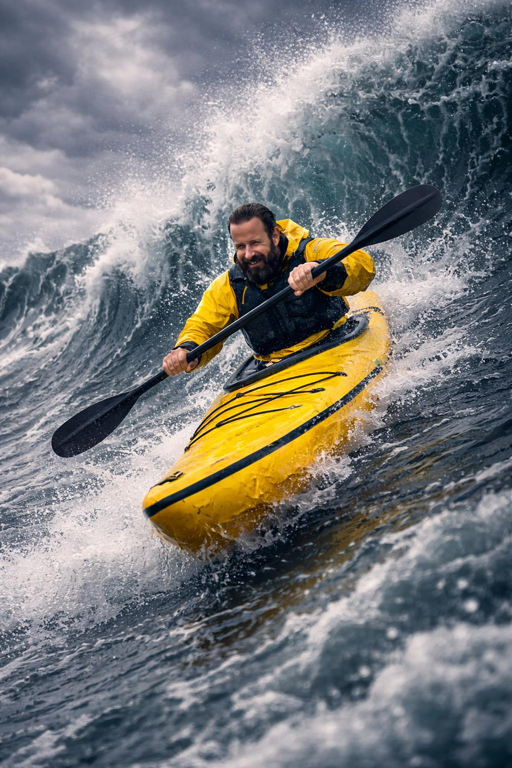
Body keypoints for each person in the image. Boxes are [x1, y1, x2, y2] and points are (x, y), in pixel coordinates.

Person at [163, 203, 375, 376]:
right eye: (240, 246)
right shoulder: (229, 286)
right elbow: (202, 325)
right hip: (272, 367)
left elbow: (361, 263)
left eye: (255, 243)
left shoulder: (311, 251)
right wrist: (186, 350)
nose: (248, 254)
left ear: (274, 235)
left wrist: (323, 271)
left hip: (334, 341)